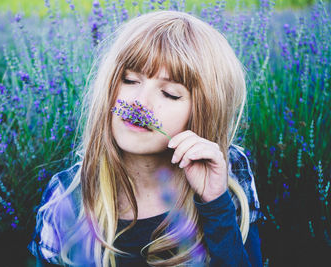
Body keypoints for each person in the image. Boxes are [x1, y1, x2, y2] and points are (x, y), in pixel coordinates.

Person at [28, 10, 264, 267]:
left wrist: (215, 204)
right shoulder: (67, 197)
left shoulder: (228, 171)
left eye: (170, 94)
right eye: (129, 80)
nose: (139, 103)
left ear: (204, 112)